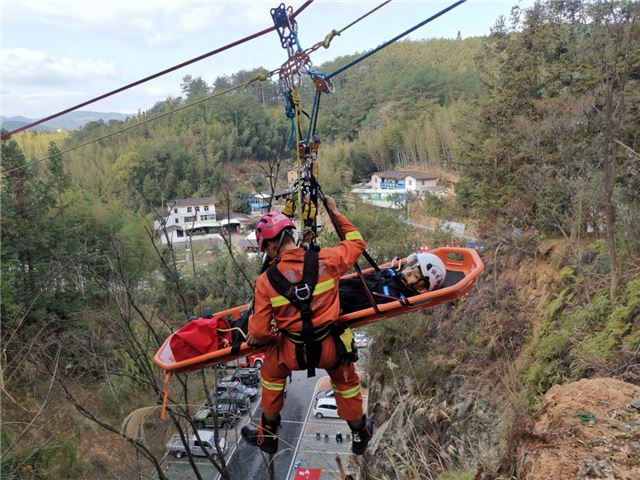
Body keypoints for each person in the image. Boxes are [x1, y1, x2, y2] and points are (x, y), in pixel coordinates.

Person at [241, 196, 374, 455]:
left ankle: (267, 435)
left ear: (270, 247)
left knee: (270, 373)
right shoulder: (327, 260)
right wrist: (334, 213)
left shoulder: (266, 281)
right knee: (346, 381)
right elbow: (357, 243)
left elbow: (258, 332)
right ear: (290, 234)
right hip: (329, 346)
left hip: (290, 351)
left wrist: (273, 336)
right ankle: (359, 433)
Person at [338, 252, 447, 314]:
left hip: (334, 301)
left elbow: (351, 300)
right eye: (412, 268)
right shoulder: (390, 273)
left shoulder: (392, 297)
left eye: (415, 275)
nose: (408, 272)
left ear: (421, 289)